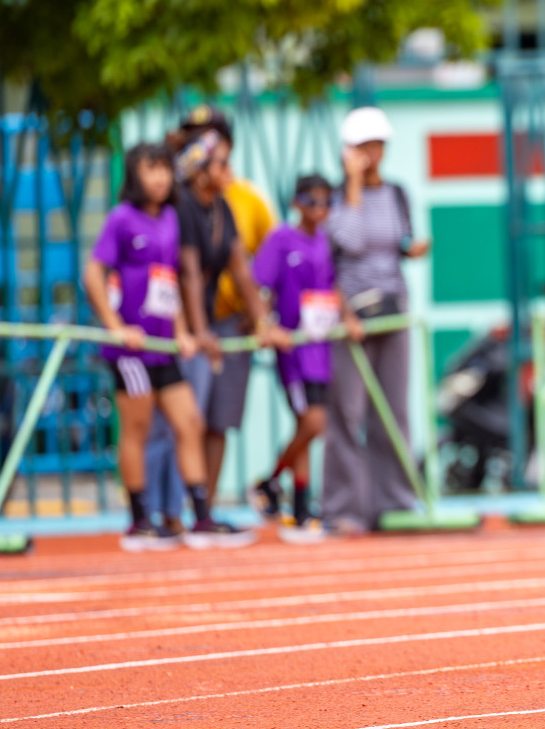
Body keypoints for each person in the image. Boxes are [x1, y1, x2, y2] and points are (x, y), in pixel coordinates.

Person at [82, 142, 247, 550]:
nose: (158, 178)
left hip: (163, 347)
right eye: (149, 169)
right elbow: (92, 273)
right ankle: (140, 521)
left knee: (189, 421)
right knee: (136, 428)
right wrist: (114, 325)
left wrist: (182, 332)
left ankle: (201, 517)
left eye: (162, 169)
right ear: (134, 175)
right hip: (131, 352)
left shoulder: (172, 218)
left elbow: (167, 281)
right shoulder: (121, 219)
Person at [325, 106, 429, 532]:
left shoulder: (397, 193)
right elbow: (348, 242)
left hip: (392, 311)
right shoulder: (334, 198)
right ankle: (345, 507)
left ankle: (397, 502)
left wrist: (411, 249)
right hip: (349, 317)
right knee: (347, 411)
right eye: (364, 146)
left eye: (377, 145)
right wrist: (352, 185)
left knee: (393, 411)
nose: (372, 153)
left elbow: (395, 243)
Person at [172, 129, 289, 511]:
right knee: (189, 419)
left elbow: (242, 269)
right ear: (200, 170)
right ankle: (172, 509)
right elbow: (188, 272)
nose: (229, 170)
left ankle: (203, 508)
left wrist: (262, 322)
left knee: (220, 419)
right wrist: (200, 330)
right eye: (221, 163)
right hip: (189, 326)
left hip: (223, 324)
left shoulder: (224, 208)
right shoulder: (186, 207)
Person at [250, 174, 365, 541]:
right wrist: (266, 325)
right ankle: (270, 482)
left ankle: (299, 505)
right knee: (313, 423)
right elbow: (259, 285)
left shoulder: (325, 242)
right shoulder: (281, 240)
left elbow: (332, 286)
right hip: (294, 351)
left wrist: (348, 316)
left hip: (321, 349)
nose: (320, 209)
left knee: (308, 425)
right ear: (297, 202)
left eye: (327, 202)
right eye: (311, 201)